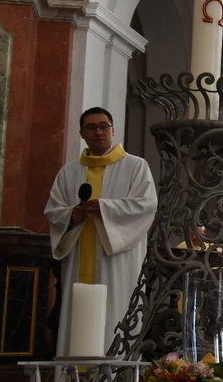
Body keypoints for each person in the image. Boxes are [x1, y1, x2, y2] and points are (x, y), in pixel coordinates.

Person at [43, 106, 157, 357]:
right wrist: (72, 214)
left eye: (104, 126)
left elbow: (146, 206)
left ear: (113, 130)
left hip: (116, 259)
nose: (99, 132)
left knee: (116, 315)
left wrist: (104, 208)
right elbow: (53, 210)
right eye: (91, 127)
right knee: (76, 320)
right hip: (78, 257)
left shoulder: (135, 167)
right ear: (82, 133)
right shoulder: (70, 172)